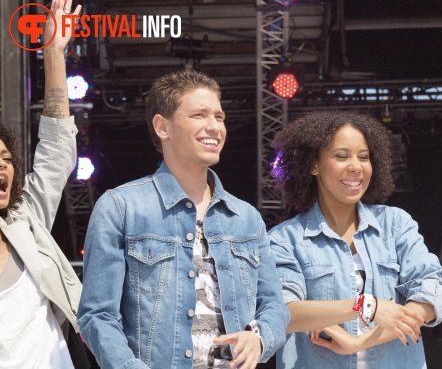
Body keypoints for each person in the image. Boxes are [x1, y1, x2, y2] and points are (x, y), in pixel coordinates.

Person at [77, 68, 290, 369]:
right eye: (200, 115)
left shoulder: (246, 218)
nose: (215, 126)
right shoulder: (121, 207)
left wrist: (258, 337)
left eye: (219, 116)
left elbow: (274, 306)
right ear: (162, 126)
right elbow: (96, 315)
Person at [268, 110, 442, 369]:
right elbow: (283, 312)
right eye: (341, 156)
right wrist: (367, 305)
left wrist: (361, 342)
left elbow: (433, 291)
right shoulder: (285, 239)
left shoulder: (395, 224)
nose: (356, 166)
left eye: (363, 157)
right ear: (313, 165)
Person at [0, 0, 88, 368]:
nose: (3, 169)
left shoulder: (25, 220)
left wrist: (53, 53)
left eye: (6, 160)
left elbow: (56, 150)